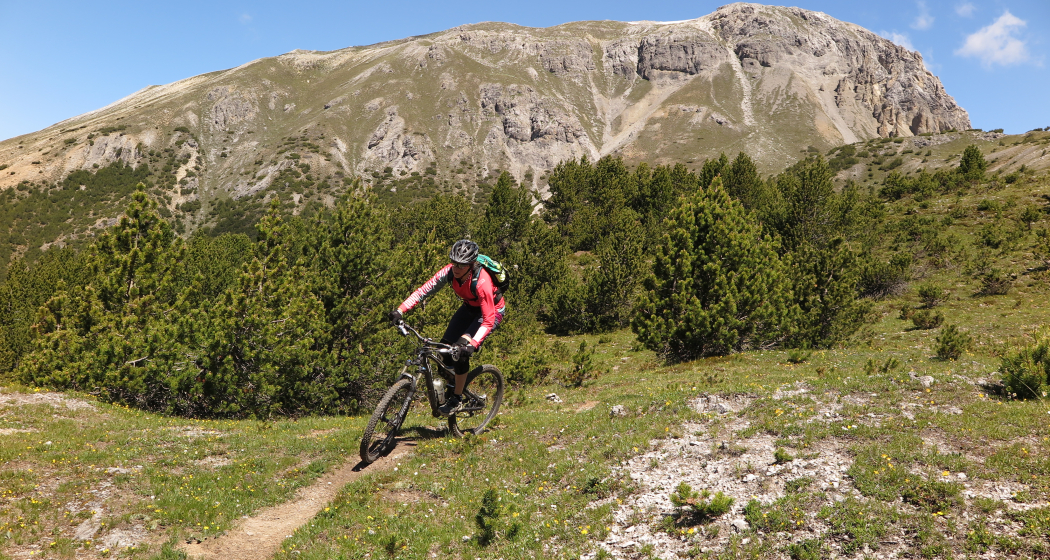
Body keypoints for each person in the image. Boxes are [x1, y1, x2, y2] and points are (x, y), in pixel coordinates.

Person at [389, 239, 506, 416]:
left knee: (460, 351)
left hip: (490, 312)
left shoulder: (482, 282)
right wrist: (400, 310)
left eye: (462, 264)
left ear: (471, 264)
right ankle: (455, 383)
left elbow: (488, 320)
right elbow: (423, 291)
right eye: (454, 263)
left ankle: (457, 399)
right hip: (469, 308)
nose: (456, 268)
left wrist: (472, 344)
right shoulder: (449, 272)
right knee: (443, 353)